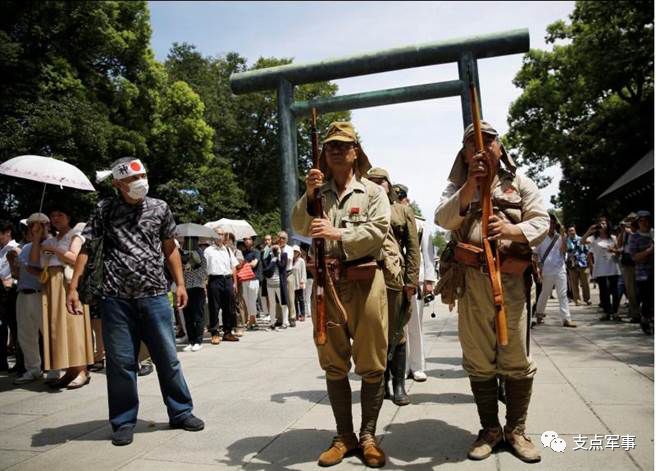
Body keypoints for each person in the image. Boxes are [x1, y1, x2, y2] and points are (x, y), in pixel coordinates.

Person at [67, 157, 204, 446]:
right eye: (132, 179)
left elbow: (170, 248)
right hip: (116, 299)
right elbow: (88, 247)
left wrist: (180, 283)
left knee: (168, 358)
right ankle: (123, 421)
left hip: (155, 295)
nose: (140, 181)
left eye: (142, 175)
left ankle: (181, 411)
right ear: (118, 183)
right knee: (120, 364)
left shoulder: (160, 208)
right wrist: (73, 286)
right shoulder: (105, 209)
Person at [435, 121, 549, 463]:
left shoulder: (520, 183)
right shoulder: (457, 186)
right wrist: (471, 184)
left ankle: (516, 430)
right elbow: (442, 219)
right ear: (465, 153)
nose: (481, 149)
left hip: (511, 283)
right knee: (478, 359)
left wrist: (513, 230)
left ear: (500, 146)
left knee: (515, 356)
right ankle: (489, 429)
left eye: (488, 142)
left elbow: (542, 221)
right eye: (473, 144)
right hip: (470, 284)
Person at [292, 121, 391, 467]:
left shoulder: (373, 192)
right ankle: (343, 435)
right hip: (327, 286)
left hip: (365, 284)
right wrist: (308, 194)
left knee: (372, 362)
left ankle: (368, 435)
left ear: (355, 152)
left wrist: (337, 235)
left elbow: (379, 231)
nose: (335, 150)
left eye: (343, 145)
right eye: (330, 145)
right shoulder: (317, 194)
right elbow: (299, 226)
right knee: (333, 361)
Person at [368, 168, 419, 407]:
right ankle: (382, 384)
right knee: (374, 332)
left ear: (389, 185)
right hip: (368, 275)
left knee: (397, 332)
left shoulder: (401, 210)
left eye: (381, 182)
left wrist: (411, 281)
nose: (377, 185)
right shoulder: (364, 208)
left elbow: (412, 249)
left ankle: (398, 385)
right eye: (372, 182)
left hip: (394, 276)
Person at [31, 204, 94, 389]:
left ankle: (82, 369)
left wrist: (54, 250)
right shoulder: (50, 239)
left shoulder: (75, 234)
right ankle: (70, 369)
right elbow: (35, 261)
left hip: (67, 282)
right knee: (58, 326)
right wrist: (37, 239)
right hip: (51, 283)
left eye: (60, 214)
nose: (56, 218)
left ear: (68, 216)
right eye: (53, 215)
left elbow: (75, 258)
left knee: (73, 324)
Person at [394, 183, 437, 383]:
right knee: (398, 326)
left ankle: (417, 366)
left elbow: (428, 253)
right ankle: (401, 366)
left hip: (415, 279)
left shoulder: (420, 223)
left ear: (406, 200)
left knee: (415, 325)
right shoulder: (388, 218)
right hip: (394, 278)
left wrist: (429, 280)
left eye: (401, 199)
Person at [11, 214, 50, 384]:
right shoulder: (26, 247)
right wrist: (13, 263)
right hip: (23, 294)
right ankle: (33, 369)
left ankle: (55, 368)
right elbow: (17, 274)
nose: (34, 230)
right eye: (31, 226)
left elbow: (49, 273)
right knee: (25, 335)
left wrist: (34, 270)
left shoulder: (49, 245)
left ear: (45, 227)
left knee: (48, 333)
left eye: (38, 226)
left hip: (41, 294)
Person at [534, 214, 577, 327]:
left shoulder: (559, 237)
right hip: (547, 270)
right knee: (545, 293)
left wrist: (563, 235)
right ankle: (539, 314)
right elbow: (535, 255)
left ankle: (566, 319)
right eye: (549, 223)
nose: (551, 225)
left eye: (553, 223)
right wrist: (537, 269)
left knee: (562, 294)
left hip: (560, 269)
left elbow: (564, 250)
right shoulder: (541, 237)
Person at [204, 228, 239, 344]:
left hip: (227, 279)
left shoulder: (227, 250)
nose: (220, 236)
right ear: (213, 236)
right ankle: (215, 333)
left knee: (229, 307)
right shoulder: (208, 251)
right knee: (214, 307)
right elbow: (204, 269)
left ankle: (228, 332)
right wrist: (205, 283)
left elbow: (233, 267)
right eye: (218, 234)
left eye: (222, 234)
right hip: (214, 280)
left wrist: (234, 283)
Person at [583, 217, 621, 320]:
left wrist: (613, 250)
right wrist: (590, 230)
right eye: (600, 224)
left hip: (612, 266)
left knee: (615, 291)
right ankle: (607, 312)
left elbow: (618, 252)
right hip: (600, 268)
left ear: (608, 225)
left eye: (604, 223)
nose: (602, 225)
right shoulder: (594, 238)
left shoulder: (612, 238)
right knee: (604, 291)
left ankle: (615, 311)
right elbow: (582, 241)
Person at [180, 236, 207, 352]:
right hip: (186, 289)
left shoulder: (200, 253)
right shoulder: (182, 254)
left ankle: (198, 341)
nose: (188, 243)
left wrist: (193, 265)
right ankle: (191, 341)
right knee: (188, 317)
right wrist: (183, 265)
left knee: (198, 316)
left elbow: (204, 271)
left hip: (197, 287)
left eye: (191, 240)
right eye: (187, 240)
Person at [0, 220, 20, 373]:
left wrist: (11, 281)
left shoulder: (16, 248)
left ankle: (21, 363)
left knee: (15, 328)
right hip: (1, 291)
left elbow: (21, 272)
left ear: (8, 232)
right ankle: (2, 362)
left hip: (11, 292)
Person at [629, 210, 653, 333]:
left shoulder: (653, 234)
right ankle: (646, 319)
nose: (644, 223)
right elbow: (634, 257)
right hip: (643, 274)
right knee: (647, 299)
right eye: (641, 221)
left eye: (646, 220)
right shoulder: (634, 237)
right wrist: (649, 251)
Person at [263, 240, 290, 330]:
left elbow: (282, 266)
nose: (275, 248)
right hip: (270, 284)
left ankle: (285, 322)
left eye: (277, 246)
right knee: (272, 304)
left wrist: (277, 257)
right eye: (273, 246)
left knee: (283, 303)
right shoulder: (268, 256)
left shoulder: (284, 255)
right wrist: (271, 256)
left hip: (279, 283)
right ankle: (272, 323)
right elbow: (265, 269)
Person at [617, 219, 640, 322]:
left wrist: (630, 232)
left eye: (630, 223)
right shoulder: (625, 234)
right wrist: (622, 232)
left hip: (639, 263)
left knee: (640, 290)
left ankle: (641, 312)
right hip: (628, 263)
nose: (627, 226)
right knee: (630, 289)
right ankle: (634, 313)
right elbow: (619, 245)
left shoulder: (641, 233)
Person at [565, 225, 592, 307]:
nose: (571, 232)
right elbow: (565, 251)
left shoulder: (581, 239)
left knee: (585, 283)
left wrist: (588, 263)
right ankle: (577, 300)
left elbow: (587, 250)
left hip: (582, 263)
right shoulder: (566, 241)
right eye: (569, 231)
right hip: (572, 264)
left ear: (575, 231)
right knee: (574, 283)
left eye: (572, 230)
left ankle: (587, 299)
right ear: (568, 232)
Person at [239, 236, 261, 330]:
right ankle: (253, 319)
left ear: (252, 241)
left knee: (252, 300)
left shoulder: (256, 252)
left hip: (253, 278)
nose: (247, 241)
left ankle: (251, 319)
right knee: (247, 300)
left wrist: (245, 264)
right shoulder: (242, 253)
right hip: (244, 278)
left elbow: (254, 264)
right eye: (245, 239)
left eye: (249, 239)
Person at [279, 231, 297, 327]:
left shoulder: (289, 249)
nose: (281, 240)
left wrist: (280, 252)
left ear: (286, 239)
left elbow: (287, 259)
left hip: (288, 274)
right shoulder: (276, 248)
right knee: (280, 298)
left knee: (290, 297)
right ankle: (280, 318)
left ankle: (292, 317)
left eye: (283, 238)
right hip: (279, 275)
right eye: (280, 238)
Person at [292, 245, 307, 321]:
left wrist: (302, 281)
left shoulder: (301, 261)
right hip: (292, 283)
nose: (294, 253)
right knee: (294, 300)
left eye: (296, 251)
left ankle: (303, 314)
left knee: (301, 299)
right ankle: (296, 315)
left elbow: (303, 272)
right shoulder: (291, 260)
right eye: (293, 251)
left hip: (299, 282)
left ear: (298, 252)